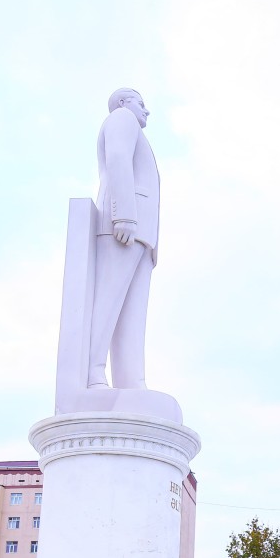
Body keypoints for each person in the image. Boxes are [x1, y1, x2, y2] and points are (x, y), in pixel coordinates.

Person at [89, 87, 160, 391]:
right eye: (141, 103)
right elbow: (118, 158)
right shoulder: (122, 118)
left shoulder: (135, 128)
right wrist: (124, 215)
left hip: (142, 233)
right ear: (122, 102)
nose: (146, 110)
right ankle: (91, 372)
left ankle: (131, 383)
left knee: (131, 315)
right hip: (125, 225)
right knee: (108, 300)